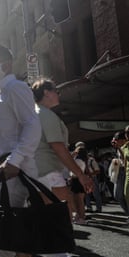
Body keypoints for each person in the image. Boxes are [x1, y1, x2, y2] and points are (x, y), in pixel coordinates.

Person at [0, 42, 99, 257]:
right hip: (9, 171)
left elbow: (32, 126)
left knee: (12, 226)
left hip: (18, 170)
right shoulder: (1, 92)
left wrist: (15, 160)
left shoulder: (15, 88)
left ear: (6, 64)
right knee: (14, 228)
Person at [31, 78, 94, 219]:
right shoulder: (46, 115)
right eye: (56, 91)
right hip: (48, 172)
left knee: (47, 219)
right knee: (63, 218)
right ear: (46, 92)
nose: (58, 94)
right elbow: (58, 147)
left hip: (36, 172)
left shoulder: (33, 114)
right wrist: (80, 175)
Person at [108, 131, 128, 215]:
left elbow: (125, 160)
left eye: (117, 140)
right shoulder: (120, 148)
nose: (115, 142)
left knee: (122, 195)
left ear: (123, 140)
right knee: (118, 195)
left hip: (124, 172)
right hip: (120, 172)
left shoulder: (125, 147)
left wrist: (119, 148)